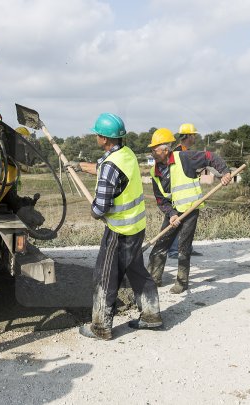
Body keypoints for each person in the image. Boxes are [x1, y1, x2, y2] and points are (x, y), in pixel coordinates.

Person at [78, 113, 163, 340]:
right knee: (136, 270)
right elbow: (107, 169)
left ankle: (101, 327)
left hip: (119, 232)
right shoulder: (127, 155)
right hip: (137, 227)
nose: (96, 137)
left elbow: (101, 208)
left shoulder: (109, 167)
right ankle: (151, 315)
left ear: (104, 139)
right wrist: (80, 166)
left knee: (105, 276)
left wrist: (94, 211)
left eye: (98, 134)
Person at [147, 128, 232, 294]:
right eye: (151, 150)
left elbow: (210, 157)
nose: (152, 154)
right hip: (173, 212)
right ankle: (153, 278)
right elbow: (160, 199)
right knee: (161, 244)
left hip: (190, 210)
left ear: (165, 150)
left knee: (183, 246)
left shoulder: (184, 158)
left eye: (154, 150)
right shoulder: (154, 171)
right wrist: (171, 214)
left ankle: (181, 281)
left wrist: (225, 172)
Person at [168, 123, 203, 259]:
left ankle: (187, 248)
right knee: (178, 222)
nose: (195, 137)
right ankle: (173, 250)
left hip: (189, 195)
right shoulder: (178, 152)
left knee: (189, 223)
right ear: (188, 136)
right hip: (179, 195)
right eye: (194, 135)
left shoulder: (186, 151)